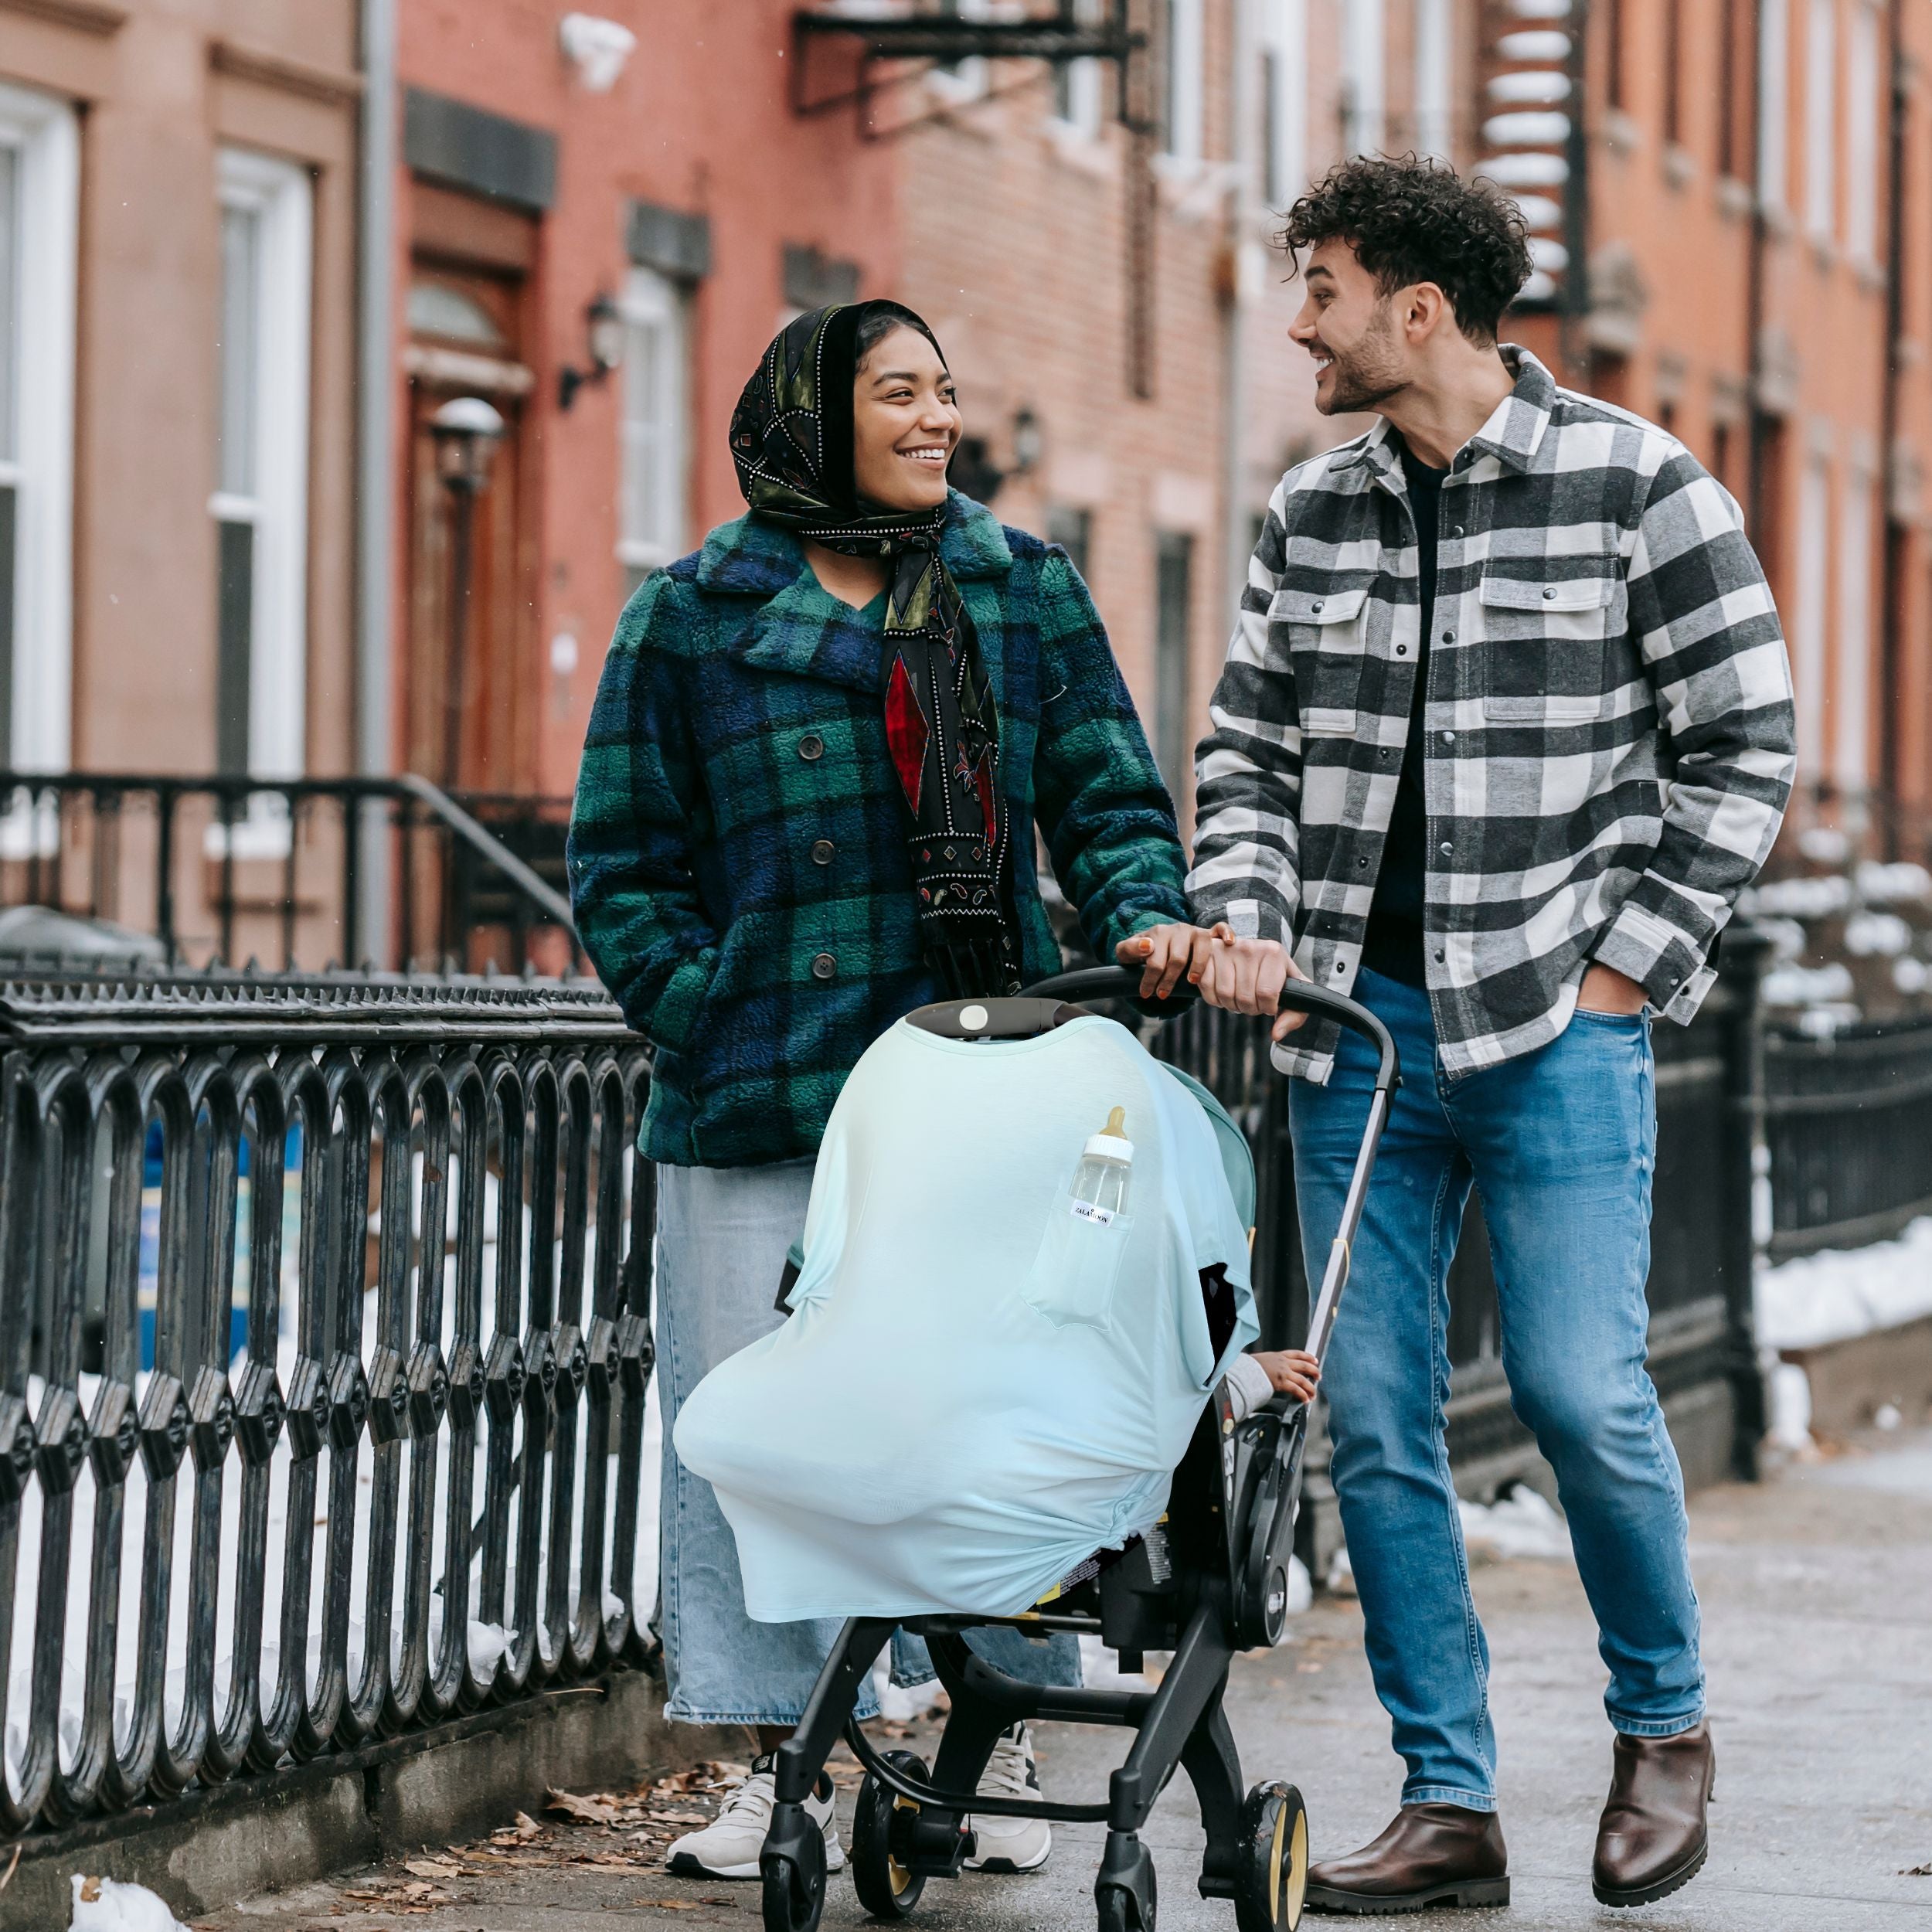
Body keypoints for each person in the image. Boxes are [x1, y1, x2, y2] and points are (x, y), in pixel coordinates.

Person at [1128, 156, 1795, 1913]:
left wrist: (1628, 969)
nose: (1299, 321)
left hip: (1554, 1024)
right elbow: (1246, 750)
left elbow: (1744, 738)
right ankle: (1448, 1801)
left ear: (1418, 307)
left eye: (1325, 287)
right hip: (1357, 1032)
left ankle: (1662, 1726)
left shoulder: (1638, 486)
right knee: (1369, 1415)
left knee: (1580, 1390)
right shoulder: (1309, 511)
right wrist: (1254, 917)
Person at [568, 298, 1198, 1882]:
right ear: (810, 416)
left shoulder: (1014, 586)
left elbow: (1108, 792)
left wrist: (1142, 920)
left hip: (983, 1074)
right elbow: (622, 862)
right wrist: (704, 1009)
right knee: (750, 1431)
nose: (936, 418)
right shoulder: (693, 613)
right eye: (898, 392)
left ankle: (995, 1732)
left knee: (1001, 1411)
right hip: (761, 1084)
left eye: (946, 392)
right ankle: (768, 1750)